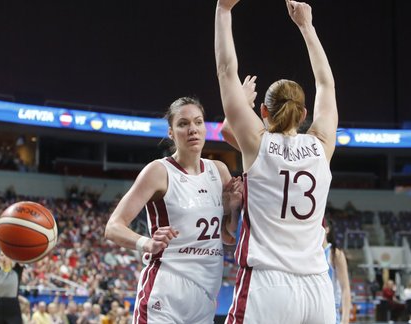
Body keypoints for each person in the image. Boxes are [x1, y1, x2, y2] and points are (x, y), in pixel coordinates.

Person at [215, 0, 338, 322]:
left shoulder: (258, 143)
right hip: (317, 286)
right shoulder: (322, 144)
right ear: (305, 113)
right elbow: (326, 84)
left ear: (264, 112)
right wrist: (306, 26)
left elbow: (226, 71)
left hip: (267, 284)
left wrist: (223, 10)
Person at [105, 96, 243, 324]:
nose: (192, 130)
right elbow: (113, 227)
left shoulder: (218, 171)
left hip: (206, 295)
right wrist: (147, 243)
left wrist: (234, 208)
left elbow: (228, 237)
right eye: (183, 124)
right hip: (166, 291)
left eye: (198, 122)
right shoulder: (158, 171)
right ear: (171, 132)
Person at [324, 219, 352, 324]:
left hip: (330, 312)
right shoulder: (311, 253)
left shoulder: (335, 253)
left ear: (327, 229)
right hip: (312, 312)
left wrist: (345, 320)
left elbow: (345, 288)